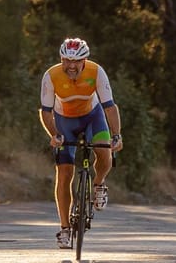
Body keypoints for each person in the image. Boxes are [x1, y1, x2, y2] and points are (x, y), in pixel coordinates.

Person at [38, 36, 123, 250]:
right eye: (67, 60)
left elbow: (110, 107)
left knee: (104, 152)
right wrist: (55, 134)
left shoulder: (96, 72)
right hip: (64, 121)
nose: (72, 66)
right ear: (61, 59)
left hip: (92, 117)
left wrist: (117, 135)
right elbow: (46, 112)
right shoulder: (51, 76)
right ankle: (65, 229)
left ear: (85, 60)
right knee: (64, 173)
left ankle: (99, 184)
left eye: (77, 61)